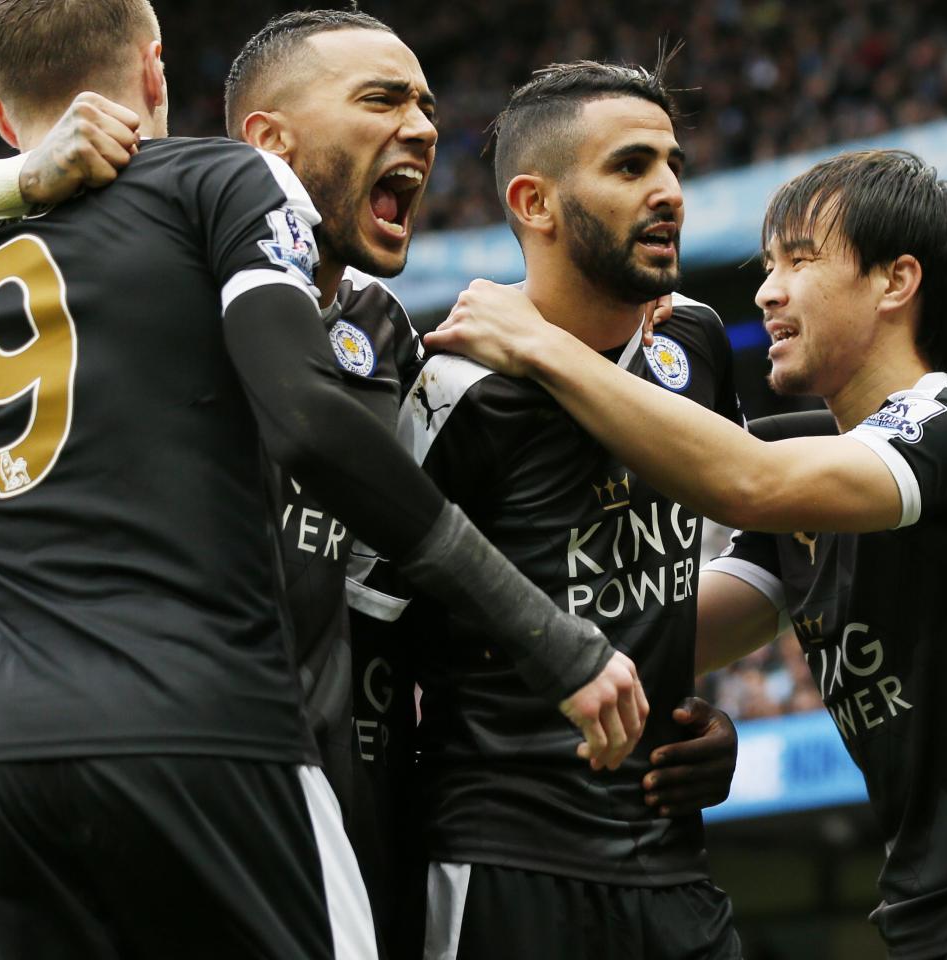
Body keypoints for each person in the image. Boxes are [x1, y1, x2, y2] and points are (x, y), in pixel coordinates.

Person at [0, 1, 658, 956]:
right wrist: (558, 646)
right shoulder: (211, 205)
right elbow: (314, 429)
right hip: (237, 763)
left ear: (0, 115)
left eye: (426, 104)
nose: (420, 126)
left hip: (28, 770)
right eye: (382, 100)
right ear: (159, 74)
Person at [427, 148, 947, 959]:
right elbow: (657, 629)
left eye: (800, 261)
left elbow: (745, 480)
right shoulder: (818, 468)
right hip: (932, 922)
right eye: (767, 265)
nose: (766, 291)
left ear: (896, 282)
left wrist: (543, 344)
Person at [348, 60, 744, 959]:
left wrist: (703, 714)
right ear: (535, 204)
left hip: (676, 867)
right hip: (505, 870)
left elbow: (742, 540)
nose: (669, 191)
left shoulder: (696, 341)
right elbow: (369, 633)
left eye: (673, 165)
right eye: (631, 166)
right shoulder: (459, 391)